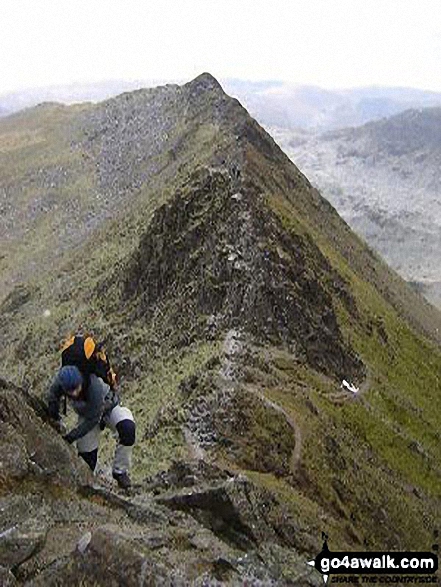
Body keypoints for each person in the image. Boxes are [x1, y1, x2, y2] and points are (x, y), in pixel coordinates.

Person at [46, 364, 136, 489]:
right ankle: (94, 484)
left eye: (77, 388)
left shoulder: (94, 386)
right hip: (88, 416)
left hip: (108, 408)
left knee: (128, 428)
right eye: (70, 391)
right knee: (87, 463)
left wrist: (72, 436)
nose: (75, 393)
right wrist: (54, 415)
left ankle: (120, 471)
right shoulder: (60, 384)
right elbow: (52, 396)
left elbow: (93, 419)